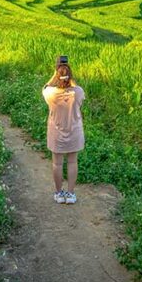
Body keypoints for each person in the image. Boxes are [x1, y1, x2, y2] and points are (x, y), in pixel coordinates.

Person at [42, 55, 85, 204]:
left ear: (56, 73)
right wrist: (69, 79)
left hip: (56, 132)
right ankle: (71, 194)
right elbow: (79, 98)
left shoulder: (50, 93)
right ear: (70, 74)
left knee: (57, 163)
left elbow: (45, 86)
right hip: (74, 132)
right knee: (72, 162)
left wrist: (55, 75)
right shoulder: (78, 91)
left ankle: (59, 193)